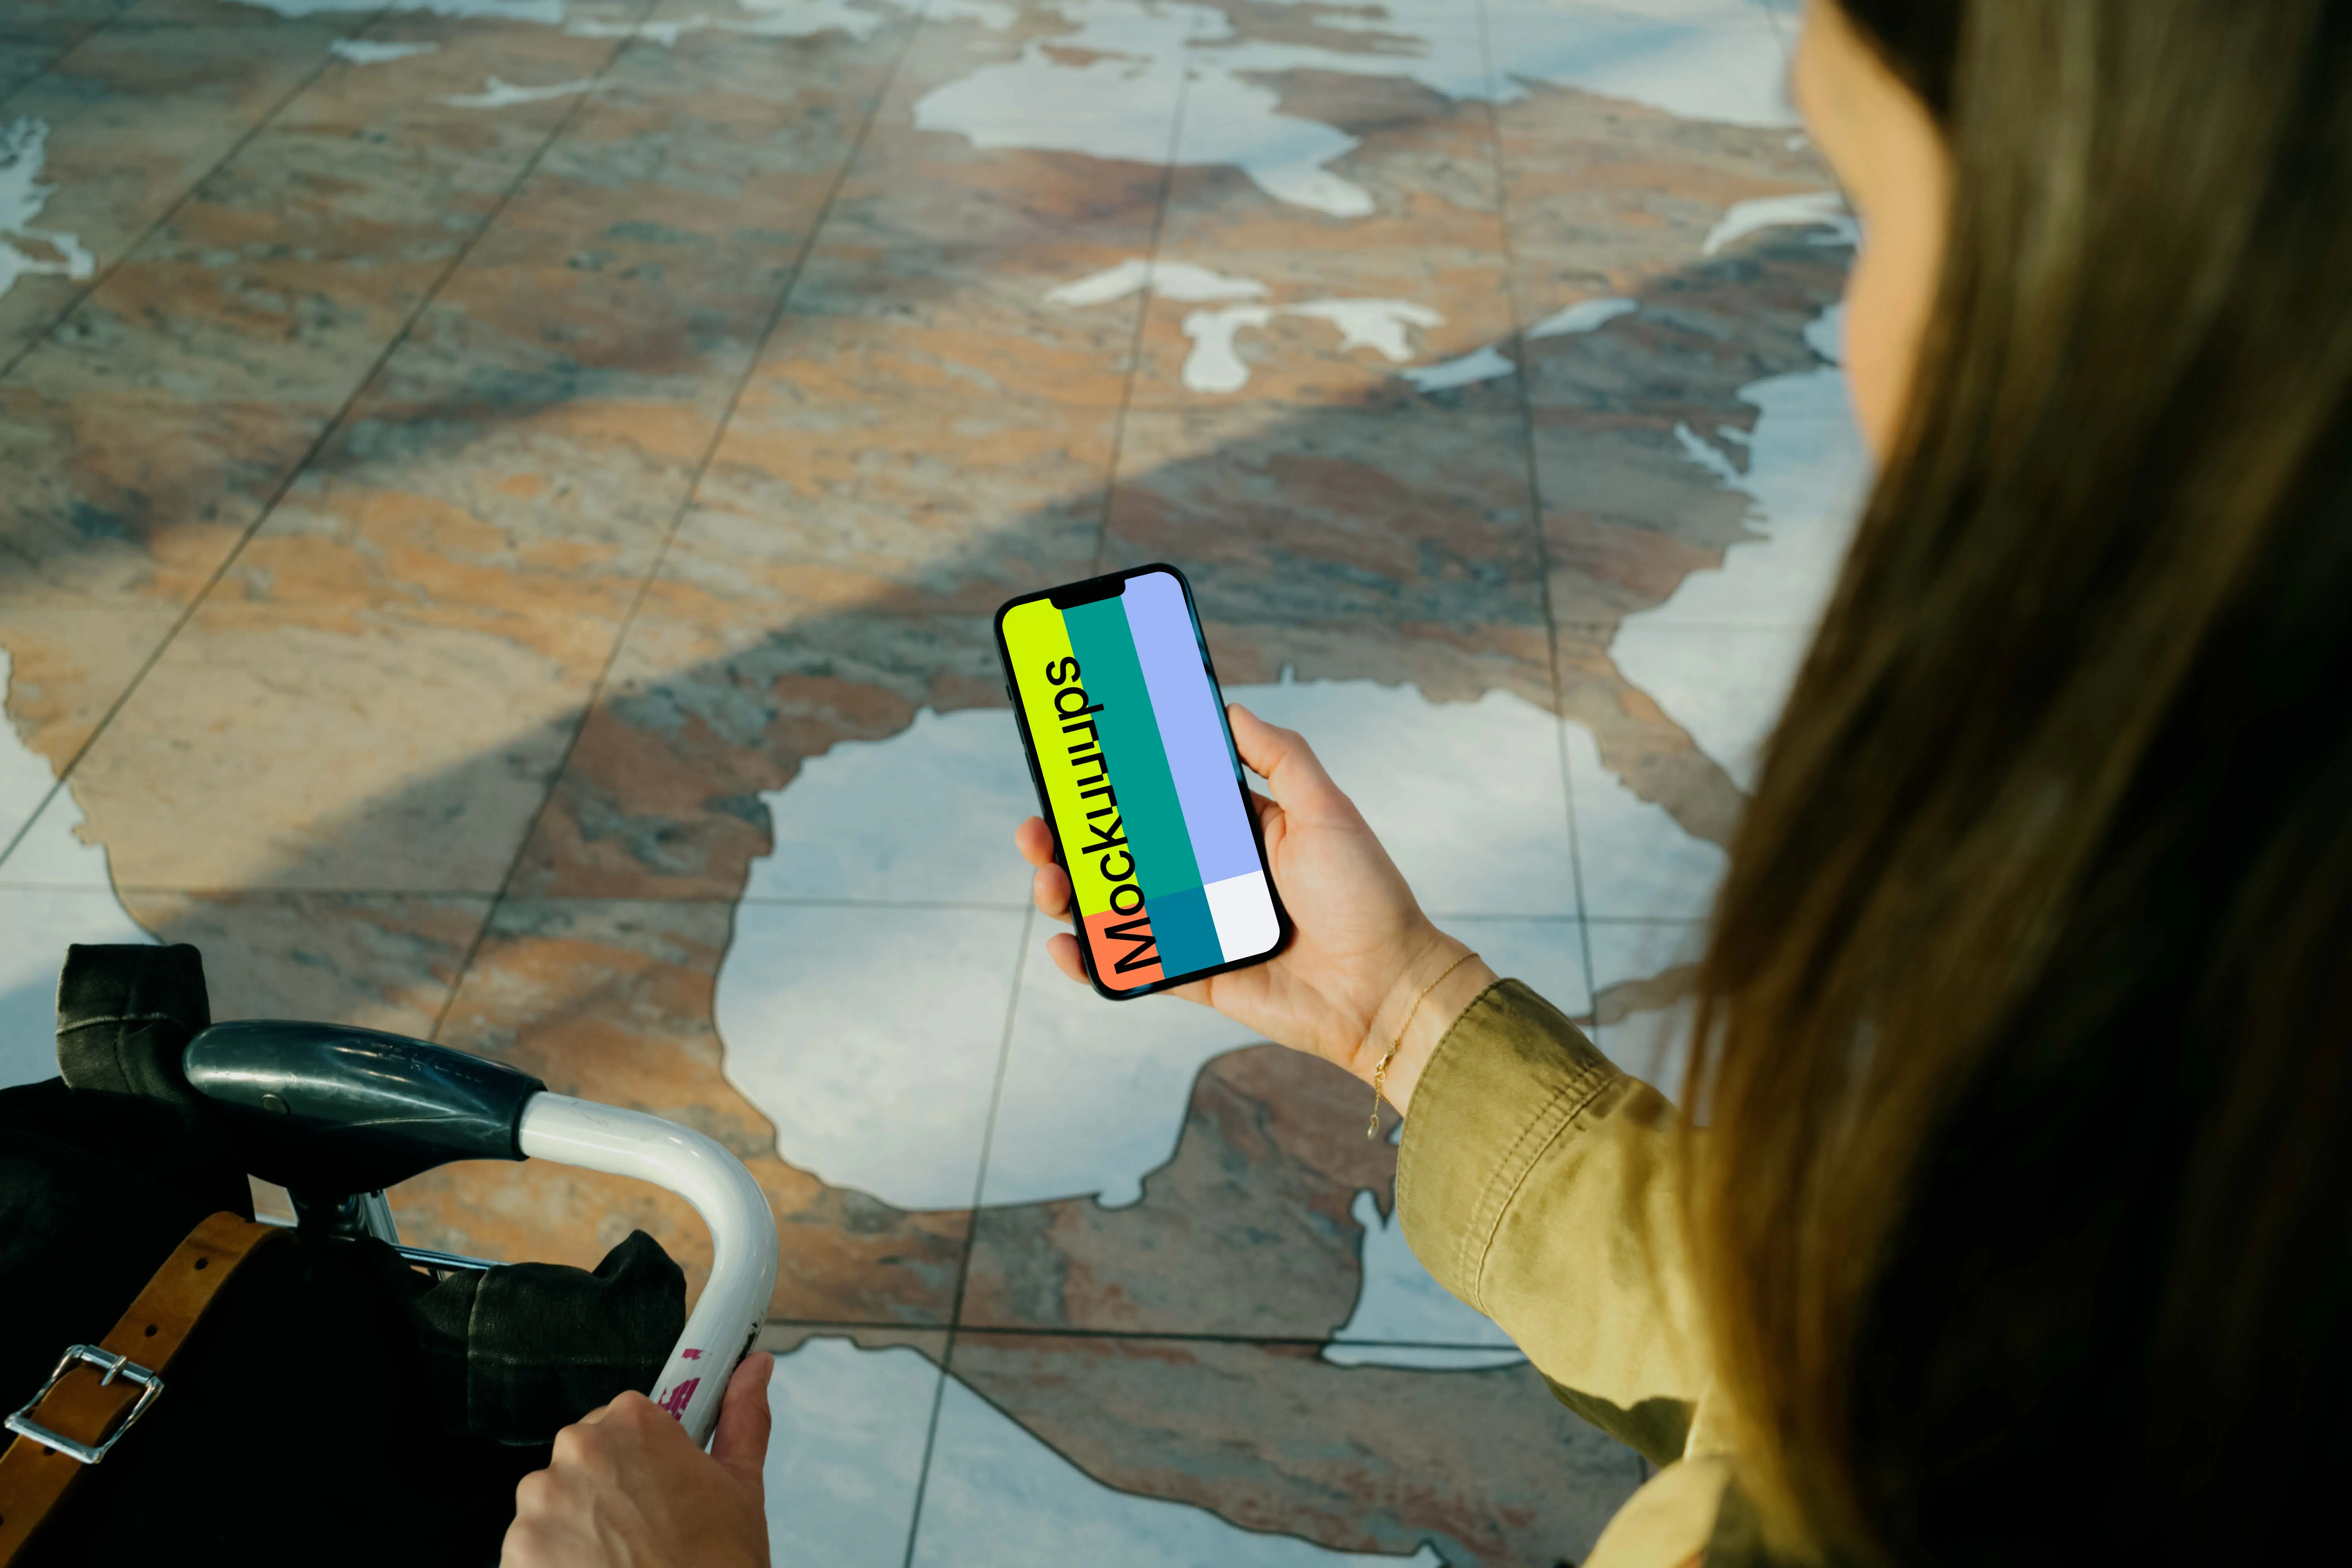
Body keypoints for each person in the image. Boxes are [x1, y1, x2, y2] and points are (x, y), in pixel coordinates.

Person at [505, 0, 2352, 1562]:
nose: (1866, 358)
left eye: (1872, 216)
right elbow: (1887, 1351)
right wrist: (1402, 1018)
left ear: (2135, 312)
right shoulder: (2223, 1082)